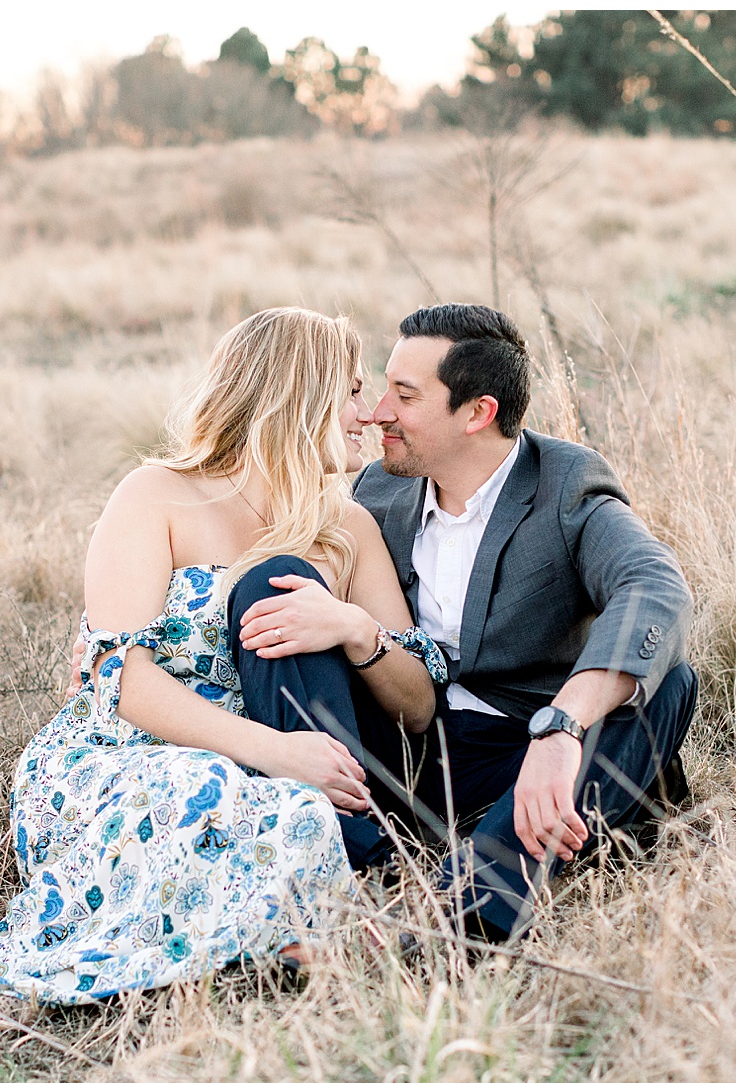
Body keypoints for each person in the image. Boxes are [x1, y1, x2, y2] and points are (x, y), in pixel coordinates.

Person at [0, 309, 447, 1009]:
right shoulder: (155, 495)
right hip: (125, 749)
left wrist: (354, 627)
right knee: (199, 785)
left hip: (265, 758)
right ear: (298, 398)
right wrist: (274, 750)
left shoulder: (348, 528)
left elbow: (418, 703)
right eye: (351, 392)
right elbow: (119, 678)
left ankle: (279, 934)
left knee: (291, 811)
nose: (367, 414)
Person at [252, 303, 698, 945]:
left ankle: (467, 906)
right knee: (287, 594)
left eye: (404, 395)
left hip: (522, 752)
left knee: (669, 682)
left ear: (477, 413)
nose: (378, 411)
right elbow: (253, 543)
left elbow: (653, 588)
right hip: (400, 741)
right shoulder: (375, 489)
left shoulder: (565, 486)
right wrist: (125, 640)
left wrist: (561, 727)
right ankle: (343, 858)